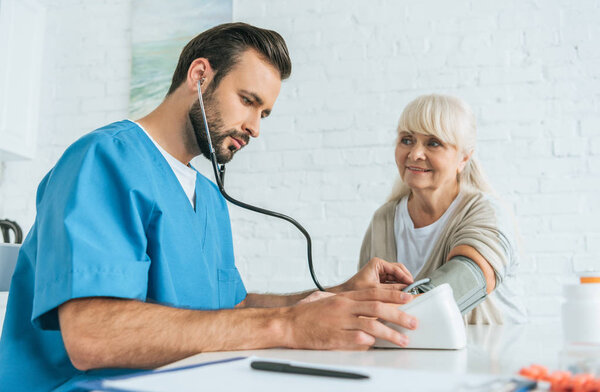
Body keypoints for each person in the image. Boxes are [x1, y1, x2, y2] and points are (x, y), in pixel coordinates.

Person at [0, 23, 419, 392]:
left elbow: (229, 309)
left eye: (265, 114)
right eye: (248, 101)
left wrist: (336, 294)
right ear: (200, 76)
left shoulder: (210, 198)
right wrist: (287, 326)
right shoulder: (102, 160)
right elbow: (91, 336)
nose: (254, 127)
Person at [358, 94, 527, 325]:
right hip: (414, 358)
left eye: (433, 143)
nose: (415, 154)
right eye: (407, 140)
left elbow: (462, 285)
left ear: (464, 158)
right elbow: (364, 303)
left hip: (489, 357)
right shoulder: (384, 220)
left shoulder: (484, 213)